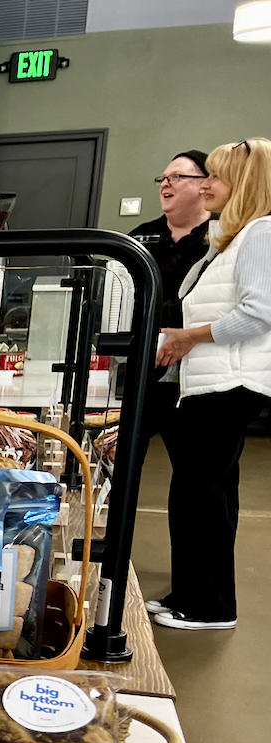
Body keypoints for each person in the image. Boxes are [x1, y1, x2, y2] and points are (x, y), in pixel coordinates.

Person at [151, 138, 271, 630]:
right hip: (208, 384)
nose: (206, 187)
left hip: (228, 386)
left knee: (203, 495)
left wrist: (187, 337)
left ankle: (209, 607)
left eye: (215, 178)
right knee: (200, 494)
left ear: (241, 183)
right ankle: (192, 593)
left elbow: (258, 314)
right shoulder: (235, 237)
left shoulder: (260, 234)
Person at [125, 151, 213, 480]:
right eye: (163, 178)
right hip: (142, 369)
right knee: (121, 465)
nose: (166, 183)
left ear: (205, 184)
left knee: (199, 478)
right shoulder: (137, 239)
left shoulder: (224, 238)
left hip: (197, 371)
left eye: (177, 176)